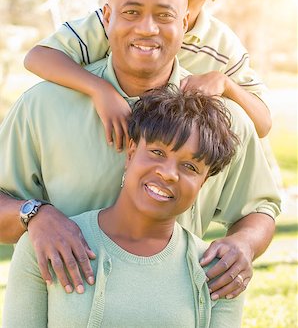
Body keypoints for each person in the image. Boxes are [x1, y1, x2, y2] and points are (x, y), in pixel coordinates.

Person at [0, 0, 280, 303]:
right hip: (63, 310)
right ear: (107, 17)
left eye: (164, 15)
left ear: (185, 21)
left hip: (172, 312)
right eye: (131, 12)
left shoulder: (224, 120)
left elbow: (259, 208)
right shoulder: (42, 106)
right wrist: (35, 216)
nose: (147, 28)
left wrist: (243, 244)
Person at [3, 86, 244, 328]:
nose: (168, 173)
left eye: (190, 167)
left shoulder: (219, 272)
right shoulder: (47, 245)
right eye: (157, 152)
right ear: (130, 153)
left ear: (203, 183)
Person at [24, 0, 272, 155]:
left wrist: (225, 83)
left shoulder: (223, 45)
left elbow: (262, 124)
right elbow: (38, 57)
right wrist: (100, 90)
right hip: (101, 142)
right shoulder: (116, 21)